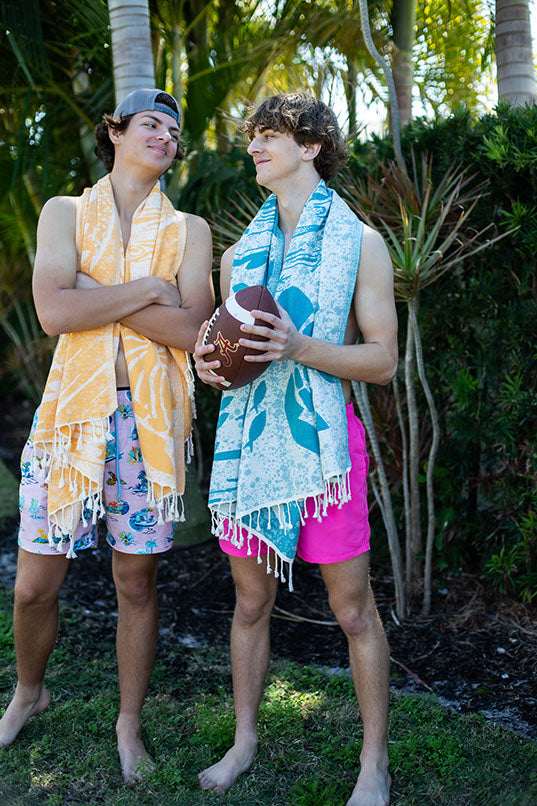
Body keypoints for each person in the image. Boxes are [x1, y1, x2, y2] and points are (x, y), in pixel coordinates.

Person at [0, 88, 214, 784]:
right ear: (115, 133)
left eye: (173, 132)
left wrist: (97, 290)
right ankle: (30, 692)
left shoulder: (190, 230)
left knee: (137, 582)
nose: (164, 136)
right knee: (34, 585)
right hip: (70, 420)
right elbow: (54, 313)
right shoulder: (64, 212)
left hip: (148, 427)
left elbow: (193, 333)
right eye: (150, 123)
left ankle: (128, 723)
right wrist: (151, 289)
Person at [193, 92, 397, 806]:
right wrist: (208, 365)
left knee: (351, 610)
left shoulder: (360, 244)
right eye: (251, 135)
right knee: (249, 605)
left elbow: (382, 362)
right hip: (250, 446)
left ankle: (373, 764)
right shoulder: (235, 256)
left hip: (322, 453)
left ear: (309, 146)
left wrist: (301, 346)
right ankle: (244, 741)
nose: (252, 145)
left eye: (268, 134)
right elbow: (228, 364)